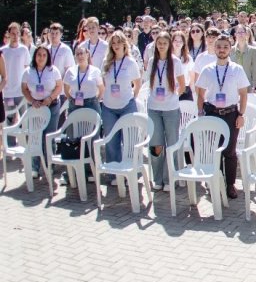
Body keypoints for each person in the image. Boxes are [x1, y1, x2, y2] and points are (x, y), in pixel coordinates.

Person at [195, 35, 249, 199]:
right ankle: (216, 182)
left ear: (230, 49)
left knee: (230, 151)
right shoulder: (207, 69)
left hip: (231, 114)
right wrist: (200, 114)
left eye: (225, 46)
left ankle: (231, 184)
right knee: (214, 150)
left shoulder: (237, 69)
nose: (222, 49)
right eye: (219, 46)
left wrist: (241, 114)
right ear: (214, 48)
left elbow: (243, 94)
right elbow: (200, 94)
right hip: (211, 114)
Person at [144, 32, 185, 191]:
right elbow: (148, 82)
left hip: (171, 109)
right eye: (159, 43)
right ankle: (157, 178)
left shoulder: (175, 61)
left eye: (164, 43)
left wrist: (173, 96)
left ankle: (170, 178)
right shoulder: (152, 61)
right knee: (156, 144)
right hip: (154, 108)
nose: (161, 45)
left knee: (172, 143)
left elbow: (182, 85)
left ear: (169, 45)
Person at [21, 45, 64, 178]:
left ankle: (49, 165)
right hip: (35, 107)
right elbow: (24, 89)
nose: (41, 57)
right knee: (35, 136)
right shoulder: (28, 71)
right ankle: (35, 166)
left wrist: (50, 98)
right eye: (39, 54)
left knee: (48, 137)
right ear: (35, 56)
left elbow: (59, 86)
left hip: (51, 106)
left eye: (44, 55)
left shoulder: (53, 70)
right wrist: (32, 101)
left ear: (48, 57)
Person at [101, 32, 142, 164]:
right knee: (111, 141)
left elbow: (138, 83)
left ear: (124, 44)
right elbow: (103, 83)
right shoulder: (106, 62)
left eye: (119, 42)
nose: (116, 45)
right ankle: (114, 172)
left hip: (126, 106)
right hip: (108, 107)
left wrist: (131, 98)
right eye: (113, 43)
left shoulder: (130, 62)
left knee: (129, 140)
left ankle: (129, 168)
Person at [63, 45, 103, 114]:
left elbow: (101, 88)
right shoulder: (70, 71)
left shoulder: (95, 71)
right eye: (77, 54)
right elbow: (66, 87)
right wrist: (71, 99)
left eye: (81, 53)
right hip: (74, 104)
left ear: (87, 55)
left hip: (91, 104)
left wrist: (96, 100)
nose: (79, 56)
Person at [230, 25, 256, 92]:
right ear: (235, 34)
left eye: (242, 32)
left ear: (246, 34)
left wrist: (255, 86)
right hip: (233, 85)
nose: (241, 34)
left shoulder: (253, 50)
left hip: (248, 85)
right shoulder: (230, 50)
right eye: (238, 32)